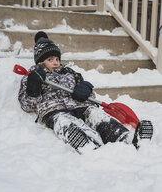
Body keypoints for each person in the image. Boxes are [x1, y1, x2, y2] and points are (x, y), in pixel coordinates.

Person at [18, 31, 153, 152]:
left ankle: (128, 139)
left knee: (97, 116)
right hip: (54, 110)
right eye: (50, 59)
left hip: (80, 105)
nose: (55, 62)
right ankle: (87, 143)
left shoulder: (70, 73)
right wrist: (33, 88)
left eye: (57, 59)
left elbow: (90, 95)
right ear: (40, 61)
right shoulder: (33, 76)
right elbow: (26, 104)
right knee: (64, 122)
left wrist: (85, 90)